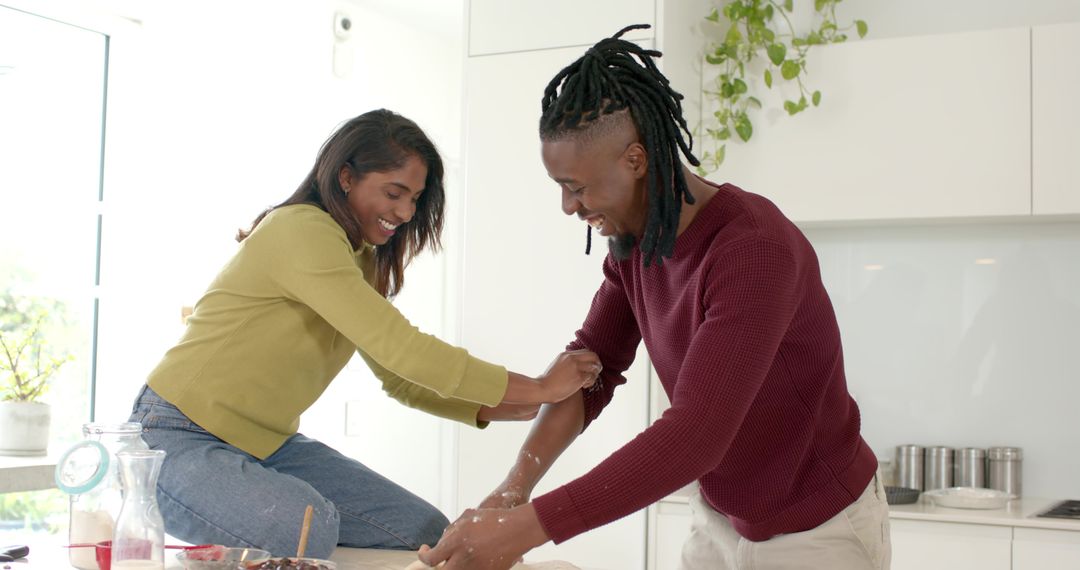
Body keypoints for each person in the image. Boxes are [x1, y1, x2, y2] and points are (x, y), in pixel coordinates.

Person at [419, 25, 890, 570]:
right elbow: (587, 370)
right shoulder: (634, 247)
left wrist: (524, 530)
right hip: (718, 520)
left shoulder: (753, 250)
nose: (568, 207)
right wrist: (513, 489)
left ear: (636, 160)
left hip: (819, 528)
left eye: (576, 186)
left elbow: (697, 434)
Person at [127, 109, 601, 559]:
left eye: (414, 198)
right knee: (304, 525)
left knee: (426, 532)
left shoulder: (363, 259)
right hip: (176, 437)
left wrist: (524, 405)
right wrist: (539, 386)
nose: (407, 212)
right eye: (394, 193)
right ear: (346, 177)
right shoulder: (301, 231)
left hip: (268, 446)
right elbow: (404, 348)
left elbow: (400, 378)